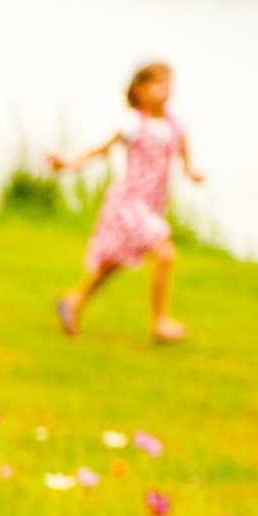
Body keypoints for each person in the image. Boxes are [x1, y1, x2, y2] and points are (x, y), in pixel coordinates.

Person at [49, 62, 204, 343]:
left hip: (152, 205)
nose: (165, 89)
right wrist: (69, 163)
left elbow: (185, 156)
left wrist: (192, 173)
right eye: (157, 83)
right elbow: (100, 151)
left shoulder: (176, 125)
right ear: (140, 90)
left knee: (112, 262)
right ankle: (160, 322)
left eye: (168, 83)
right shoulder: (132, 123)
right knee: (165, 253)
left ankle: (72, 303)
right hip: (128, 202)